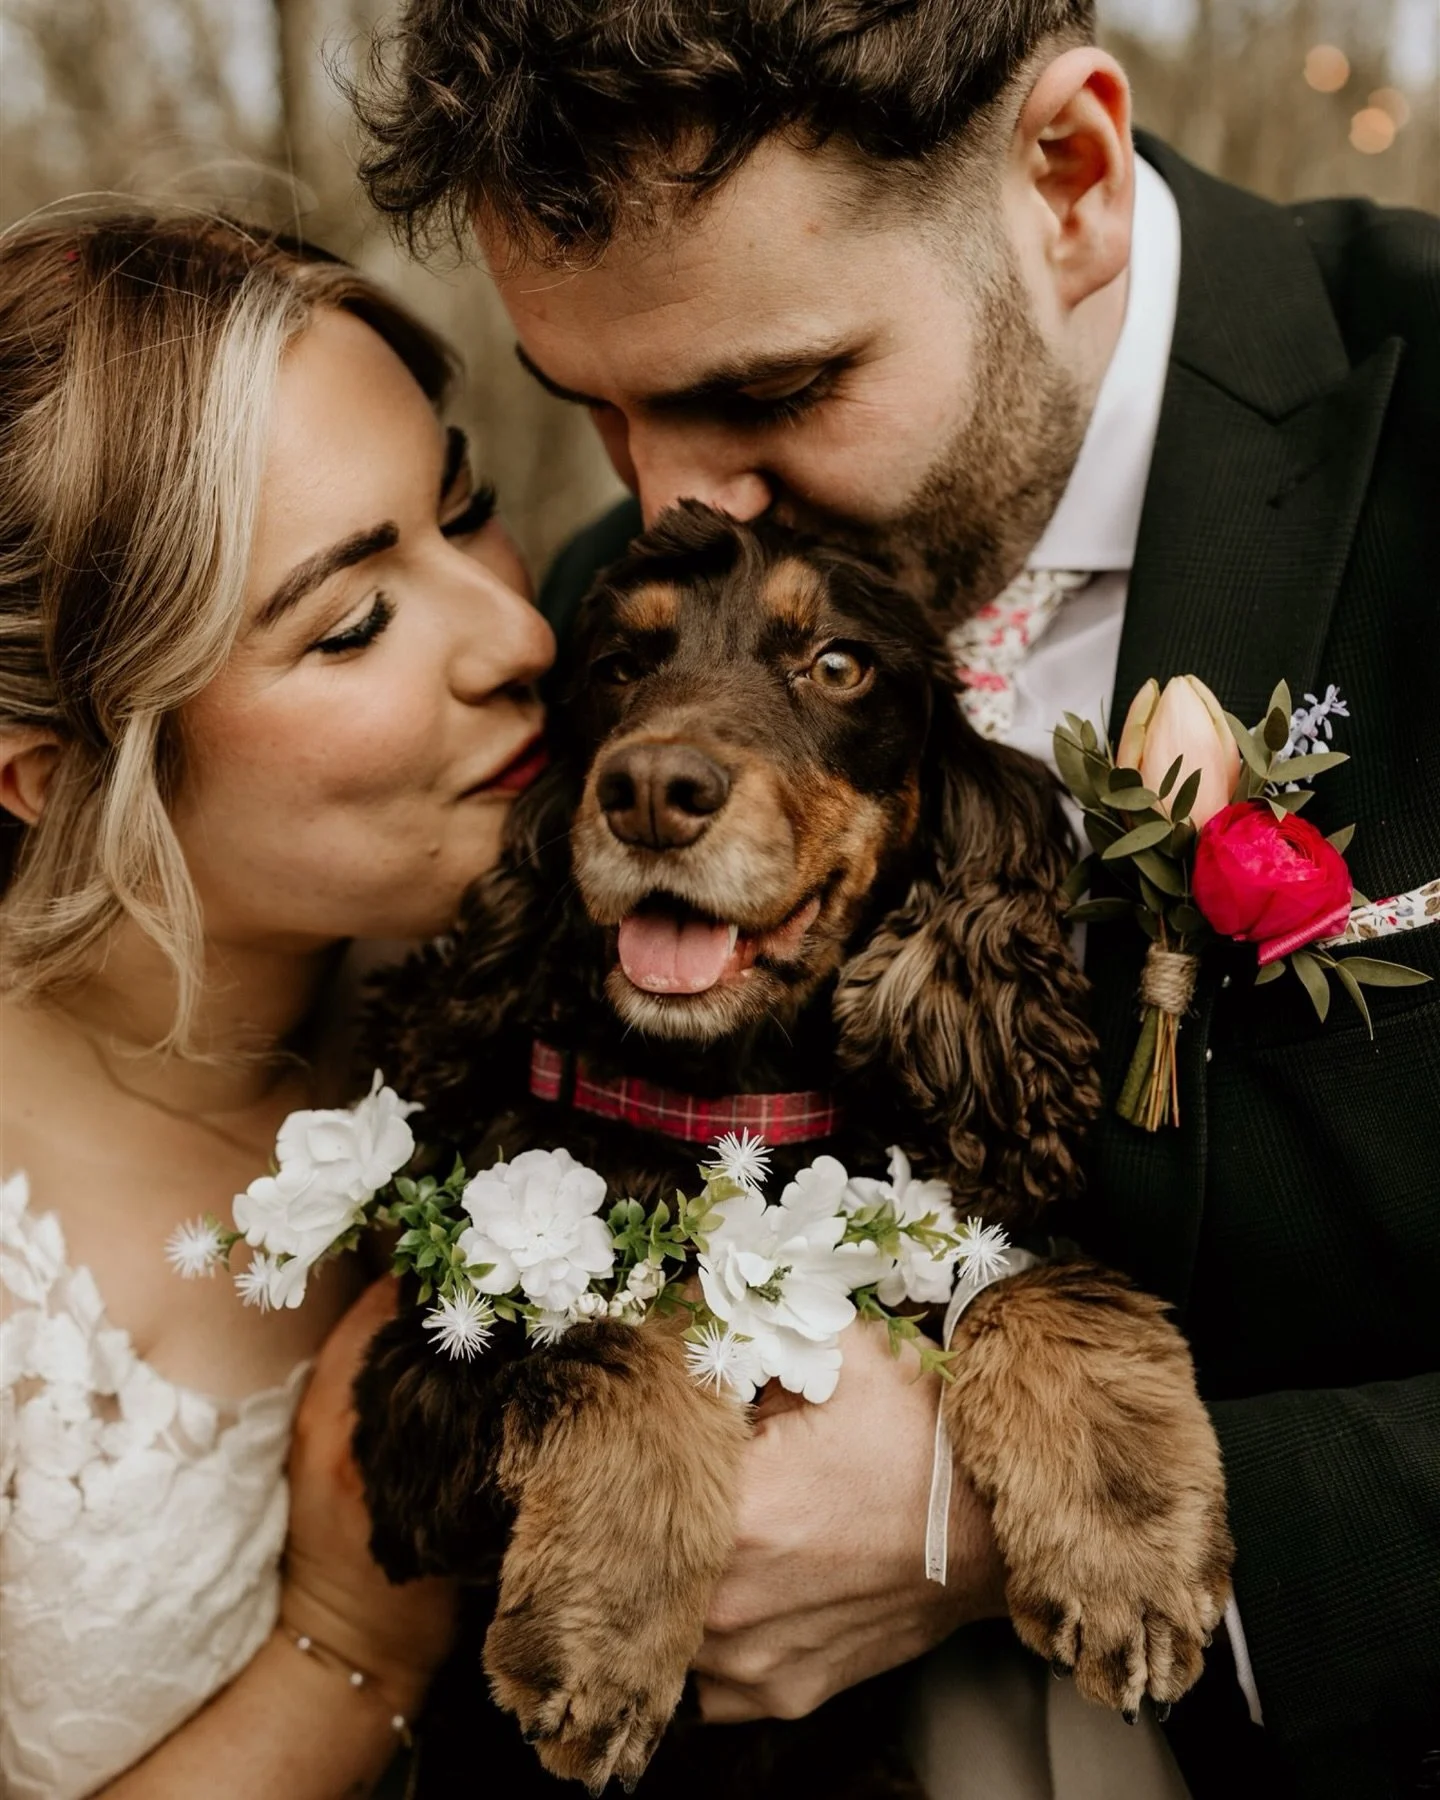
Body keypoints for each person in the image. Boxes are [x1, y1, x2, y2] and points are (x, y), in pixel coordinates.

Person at [350, 3, 1440, 1796]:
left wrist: (988, 1522)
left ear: (1065, 176)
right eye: (600, 408)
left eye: (770, 387)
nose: (672, 497)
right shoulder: (619, 621)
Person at [0, 210, 554, 1798]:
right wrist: (346, 1649)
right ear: (55, 777)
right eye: (355, 622)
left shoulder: (550, 985)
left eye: (471, 510)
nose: (517, 635)